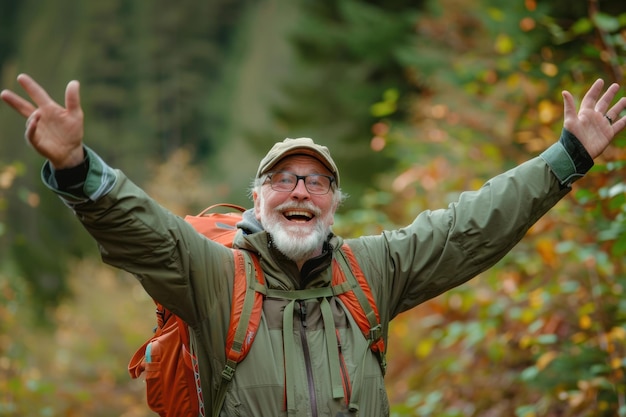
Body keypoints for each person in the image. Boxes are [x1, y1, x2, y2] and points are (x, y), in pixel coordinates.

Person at [1, 73, 625, 417]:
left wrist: (566, 157)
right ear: (258, 196)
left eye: (317, 180)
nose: (300, 190)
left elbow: (471, 226)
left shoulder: (373, 272)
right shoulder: (216, 278)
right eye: (284, 178)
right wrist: (80, 170)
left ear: (333, 201)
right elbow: (145, 232)